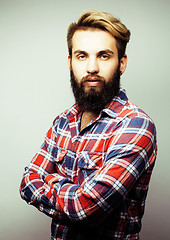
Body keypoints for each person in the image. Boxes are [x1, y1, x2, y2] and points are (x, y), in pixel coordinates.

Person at [20, 9, 157, 240]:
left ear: (121, 63)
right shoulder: (62, 122)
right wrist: (69, 193)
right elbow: (27, 182)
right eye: (82, 56)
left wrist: (51, 181)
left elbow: (86, 208)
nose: (91, 67)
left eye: (103, 56)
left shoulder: (136, 126)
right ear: (70, 62)